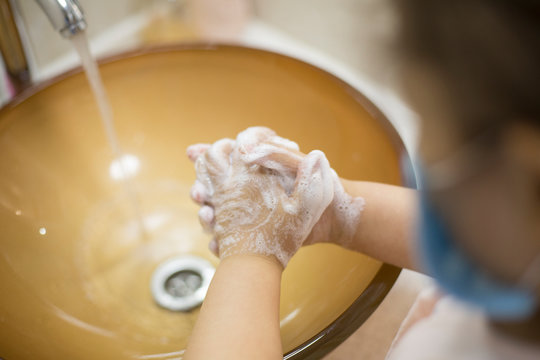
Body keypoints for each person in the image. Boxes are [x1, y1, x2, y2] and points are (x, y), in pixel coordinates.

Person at [183, 1, 540, 359]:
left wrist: (250, 251)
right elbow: (483, 232)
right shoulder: (517, 260)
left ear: (526, 173)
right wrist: (337, 213)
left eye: (424, 115)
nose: (423, 143)